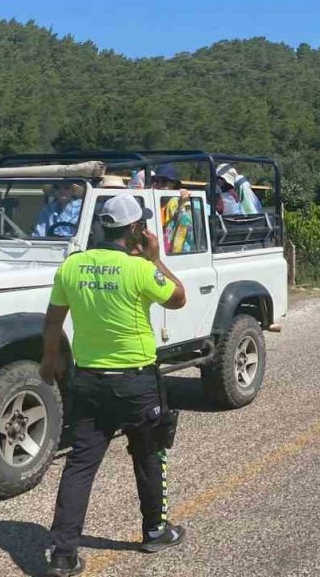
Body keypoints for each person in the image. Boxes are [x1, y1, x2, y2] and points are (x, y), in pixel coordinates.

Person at [39, 195, 189, 576]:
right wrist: (155, 259)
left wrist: (50, 357)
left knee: (80, 465)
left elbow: (54, 317)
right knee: (150, 453)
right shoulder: (138, 270)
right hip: (136, 381)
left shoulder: (72, 267)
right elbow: (179, 299)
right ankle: (156, 530)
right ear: (136, 229)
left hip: (87, 381)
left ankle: (63, 554)